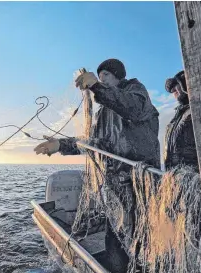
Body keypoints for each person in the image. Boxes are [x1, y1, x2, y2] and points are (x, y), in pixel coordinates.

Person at [34, 58, 160, 272]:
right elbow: (94, 144)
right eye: (99, 76)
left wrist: (96, 86)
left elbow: (131, 109)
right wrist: (60, 145)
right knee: (115, 245)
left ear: (118, 75)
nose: (101, 80)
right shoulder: (103, 113)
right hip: (115, 187)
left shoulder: (136, 92)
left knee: (142, 242)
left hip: (140, 185)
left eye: (106, 76)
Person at [163, 70, 198, 171]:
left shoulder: (197, 110)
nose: (174, 91)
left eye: (176, 85)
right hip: (176, 173)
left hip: (194, 173)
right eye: (172, 90)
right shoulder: (178, 116)